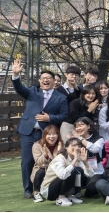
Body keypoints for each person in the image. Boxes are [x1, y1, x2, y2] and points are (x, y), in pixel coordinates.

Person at [11, 59, 68, 199]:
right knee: (27, 161)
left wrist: (49, 119)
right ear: (40, 80)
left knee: (46, 160)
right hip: (28, 132)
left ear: (54, 81)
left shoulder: (61, 97)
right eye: (43, 78)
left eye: (49, 78)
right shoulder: (32, 92)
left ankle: (43, 187)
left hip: (46, 135)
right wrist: (16, 75)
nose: (46, 80)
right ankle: (27, 189)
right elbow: (19, 88)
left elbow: (63, 115)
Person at [39, 137, 96, 206]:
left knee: (79, 170)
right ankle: (60, 199)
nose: (77, 148)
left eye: (79, 146)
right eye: (73, 145)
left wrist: (85, 162)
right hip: (48, 191)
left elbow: (90, 174)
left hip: (58, 186)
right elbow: (63, 175)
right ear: (66, 147)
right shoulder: (60, 158)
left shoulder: (77, 158)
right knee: (72, 171)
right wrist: (75, 160)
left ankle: (70, 196)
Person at [31, 125, 63, 203]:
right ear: (44, 135)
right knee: (40, 171)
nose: (51, 137)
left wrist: (59, 152)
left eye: (54, 134)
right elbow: (38, 161)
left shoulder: (61, 145)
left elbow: (63, 161)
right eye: (49, 134)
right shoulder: (37, 145)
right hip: (43, 170)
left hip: (56, 171)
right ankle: (36, 192)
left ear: (58, 135)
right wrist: (45, 155)